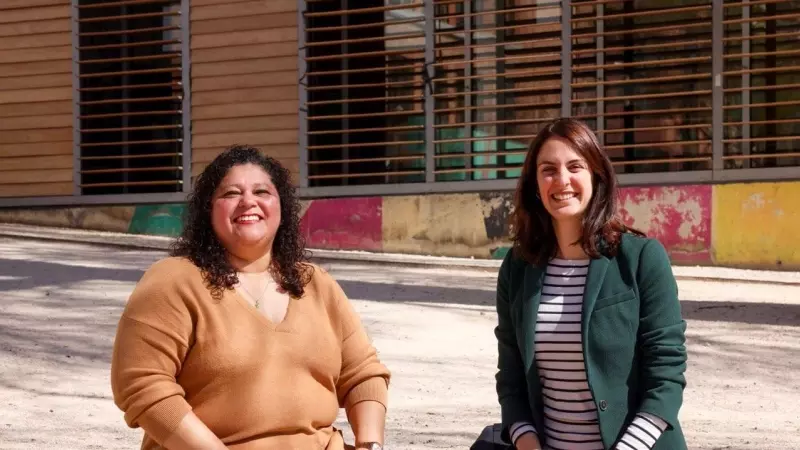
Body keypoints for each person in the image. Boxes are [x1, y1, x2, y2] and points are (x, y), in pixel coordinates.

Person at [110, 145, 391, 450]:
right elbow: (143, 386)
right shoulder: (173, 281)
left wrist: (370, 444)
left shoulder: (316, 283)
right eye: (231, 193)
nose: (248, 201)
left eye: (262, 191)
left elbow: (363, 374)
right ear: (208, 209)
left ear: (281, 207)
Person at [493, 118, 687, 450]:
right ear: (535, 186)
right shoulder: (518, 267)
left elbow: (666, 377)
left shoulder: (641, 259)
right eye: (548, 170)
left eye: (575, 166)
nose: (562, 180)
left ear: (596, 176)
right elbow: (511, 379)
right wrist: (525, 439)